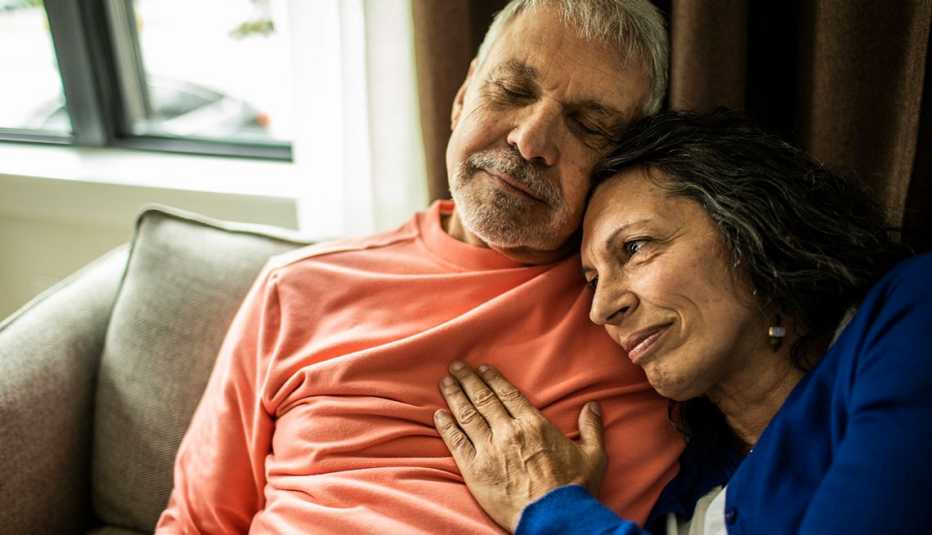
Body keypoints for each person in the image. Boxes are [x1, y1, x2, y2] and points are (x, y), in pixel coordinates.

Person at [156, 2, 686, 533]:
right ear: (462, 98)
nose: (530, 140)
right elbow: (196, 524)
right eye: (511, 91)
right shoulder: (295, 289)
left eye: (588, 125)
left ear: (625, 164)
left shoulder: (649, 323)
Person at [433, 110, 932, 534]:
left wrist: (549, 508)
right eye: (591, 280)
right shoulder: (683, 488)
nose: (601, 308)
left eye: (635, 247)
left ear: (751, 224)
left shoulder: (910, 311)